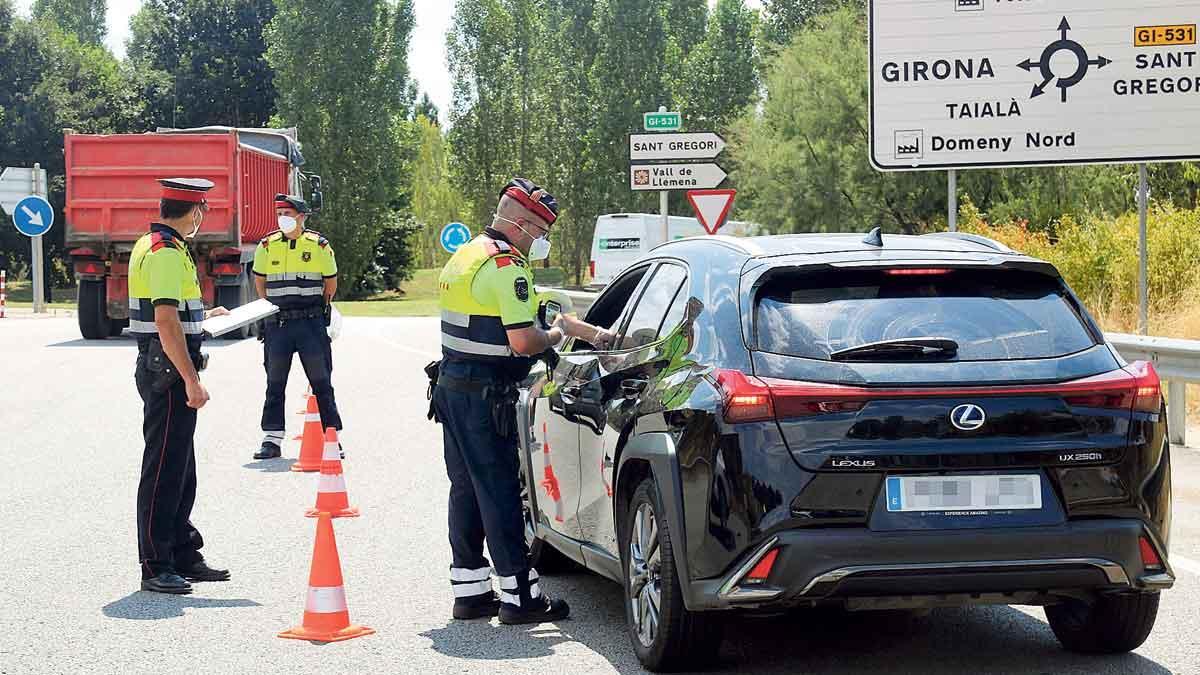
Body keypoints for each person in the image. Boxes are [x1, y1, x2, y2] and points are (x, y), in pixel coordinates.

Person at [433, 178, 615, 624]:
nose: (541, 241)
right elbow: (524, 340)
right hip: (484, 395)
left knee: (467, 490)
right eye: (538, 231)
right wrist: (558, 335)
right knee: (499, 493)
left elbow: (512, 316)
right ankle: (520, 596)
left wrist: (585, 330)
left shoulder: (469, 253)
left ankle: (471, 592)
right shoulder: (507, 267)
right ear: (518, 224)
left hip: (453, 387)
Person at [128, 178, 231, 594]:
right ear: (195, 212)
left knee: (181, 467)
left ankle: (182, 552)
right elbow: (166, 321)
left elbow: (178, 314)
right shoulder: (167, 253)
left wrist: (206, 316)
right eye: (201, 212)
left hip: (162, 366)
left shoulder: (153, 244)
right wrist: (191, 380)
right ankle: (155, 563)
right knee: (165, 468)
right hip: (167, 371)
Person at [251, 194, 342, 460]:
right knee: (274, 382)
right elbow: (260, 282)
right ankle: (271, 439)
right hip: (278, 324)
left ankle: (331, 437)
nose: (283, 219)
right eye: (280, 214)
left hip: (310, 323)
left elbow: (330, 286)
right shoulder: (267, 245)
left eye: (288, 214)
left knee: (321, 381)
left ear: (302, 217)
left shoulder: (319, 245)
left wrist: (318, 309)